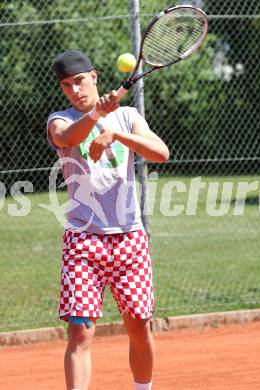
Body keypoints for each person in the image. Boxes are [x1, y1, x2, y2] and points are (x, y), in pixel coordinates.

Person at [47, 50, 169, 390]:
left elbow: (160, 153)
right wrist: (99, 112)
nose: (74, 90)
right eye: (66, 85)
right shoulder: (59, 119)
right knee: (80, 331)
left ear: (95, 76)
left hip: (130, 239)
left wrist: (116, 134)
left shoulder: (128, 116)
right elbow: (68, 138)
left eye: (80, 81)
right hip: (83, 244)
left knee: (139, 327)